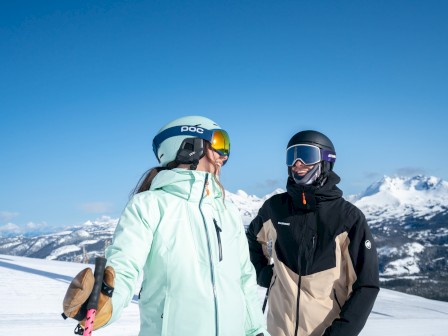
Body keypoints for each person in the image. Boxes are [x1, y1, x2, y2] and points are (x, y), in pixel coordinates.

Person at [62, 115, 269, 336]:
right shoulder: (149, 205)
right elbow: (124, 266)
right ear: (189, 146)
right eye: (219, 142)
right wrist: (106, 303)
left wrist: (256, 330)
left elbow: (244, 279)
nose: (224, 155)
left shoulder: (227, 211)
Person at [246, 130, 379, 336]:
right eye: (292, 156)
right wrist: (264, 274)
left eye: (306, 155)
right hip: (279, 330)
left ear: (326, 160)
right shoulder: (275, 208)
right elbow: (250, 241)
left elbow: (366, 285)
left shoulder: (347, 218)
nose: (297, 164)